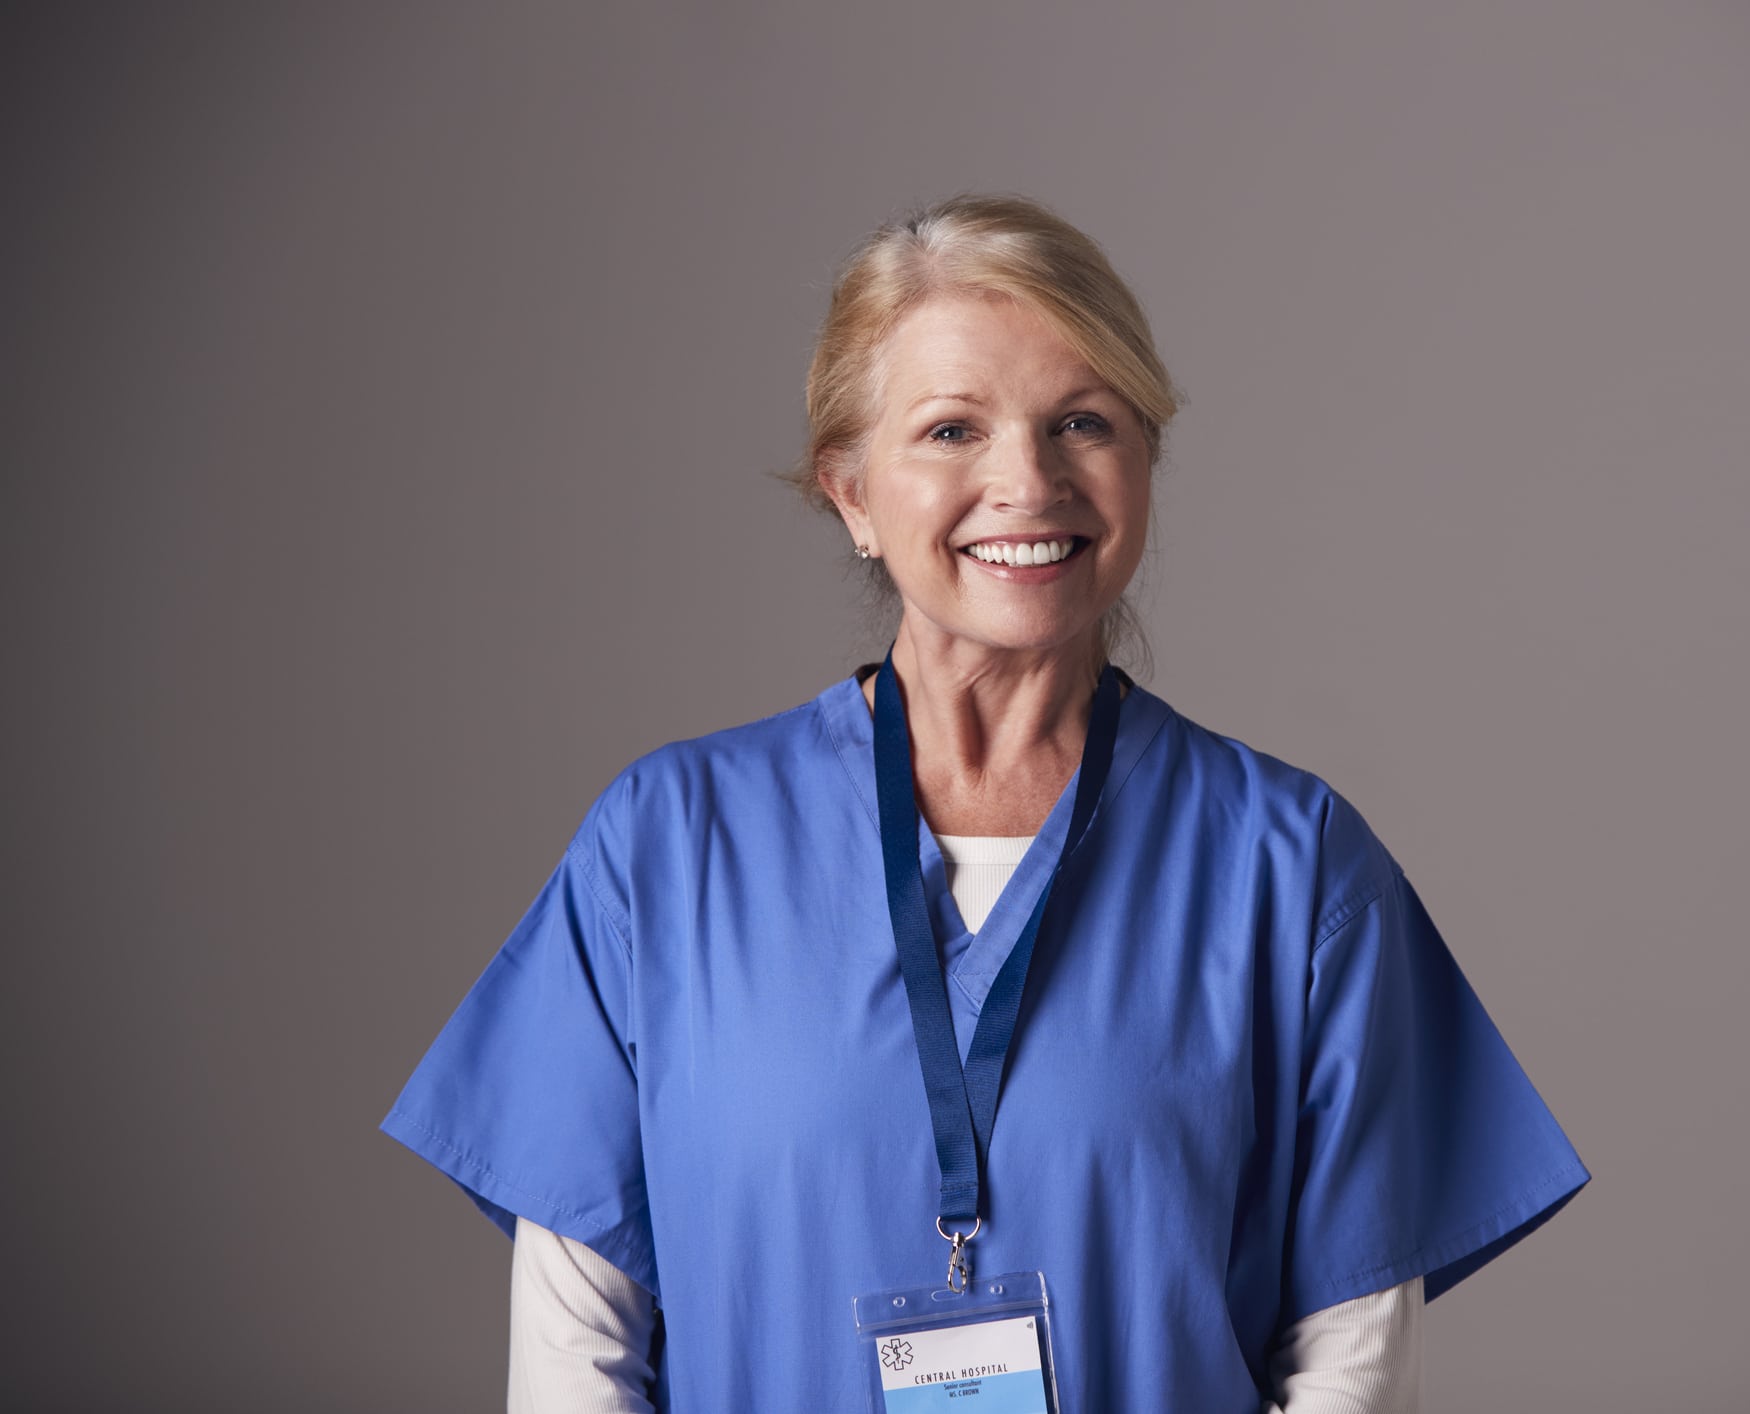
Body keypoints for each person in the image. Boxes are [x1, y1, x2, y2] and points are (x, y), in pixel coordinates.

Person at [381, 193, 1589, 1412]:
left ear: (1144, 462)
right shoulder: (666, 849)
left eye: (1082, 421)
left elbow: (1351, 1362)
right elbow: (577, 1350)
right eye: (953, 430)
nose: (1028, 480)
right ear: (851, 494)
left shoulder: (1293, 868)